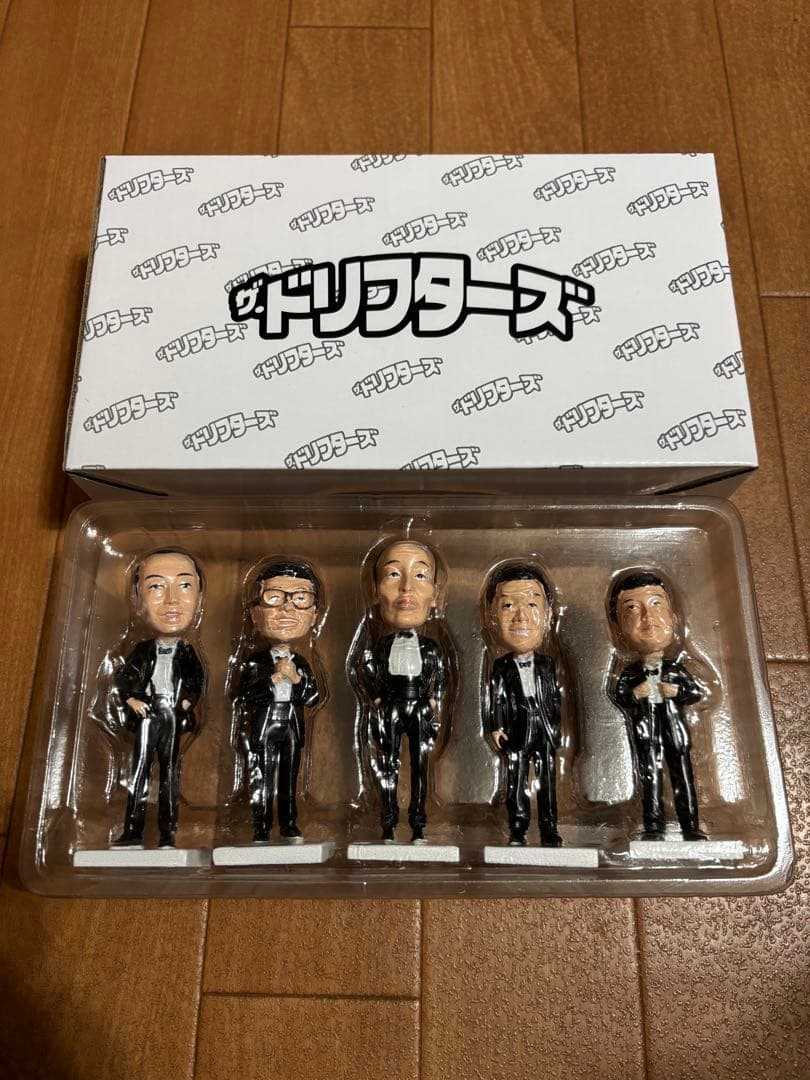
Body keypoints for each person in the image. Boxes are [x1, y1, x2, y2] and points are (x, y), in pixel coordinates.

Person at [113, 549, 205, 848]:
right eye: (156, 586)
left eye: (185, 585)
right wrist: (131, 699)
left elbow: (196, 680)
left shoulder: (187, 652)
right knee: (139, 769)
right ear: (137, 599)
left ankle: (167, 833)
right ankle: (132, 831)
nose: (171, 600)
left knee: (169, 774)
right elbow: (124, 678)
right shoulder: (142, 650)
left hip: (172, 714)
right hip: (146, 713)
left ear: (200, 597)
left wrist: (186, 702)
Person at [360, 539, 448, 844]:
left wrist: (433, 699)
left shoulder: (431, 647)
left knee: (420, 767)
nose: (407, 587)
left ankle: (418, 825)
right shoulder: (381, 646)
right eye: (394, 574)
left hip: (420, 706)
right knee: (388, 765)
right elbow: (367, 669)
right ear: (375, 591)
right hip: (390, 706)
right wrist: (377, 697)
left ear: (435, 594)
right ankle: (387, 824)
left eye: (420, 575)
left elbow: (441, 674)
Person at [608, 569, 706, 841]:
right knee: (650, 779)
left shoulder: (676, 669)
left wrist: (677, 690)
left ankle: (690, 826)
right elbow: (621, 694)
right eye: (632, 608)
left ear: (674, 618)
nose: (647, 617)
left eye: (655, 604)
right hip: (646, 733)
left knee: (683, 778)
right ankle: (653, 826)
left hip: (675, 733)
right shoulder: (630, 673)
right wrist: (635, 693)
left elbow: (694, 692)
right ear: (618, 626)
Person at [233, 560, 321, 843]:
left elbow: (313, 696)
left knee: (289, 778)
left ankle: (289, 824)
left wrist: (295, 678)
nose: (287, 608)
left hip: (291, 724)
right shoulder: (256, 662)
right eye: (274, 598)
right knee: (263, 775)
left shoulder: (301, 663)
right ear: (255, 613)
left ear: (314, 615)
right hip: (264, 724)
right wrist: (271, 680)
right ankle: (261, 826)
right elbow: (244, 696)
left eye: (300, 599)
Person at [485, 562, 562, 846]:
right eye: (507, 606)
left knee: (547, 782)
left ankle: (549, 829)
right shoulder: (501, 666)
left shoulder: (547, 665)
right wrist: (496, 727)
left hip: (544, 728)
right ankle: (517, 829)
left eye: (531, 604)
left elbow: (555, 696)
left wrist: (555, 726)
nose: (520, 616)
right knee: (516, 780)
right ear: (493, 616)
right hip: (517, 728)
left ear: (548, 615)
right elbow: (495, 697)